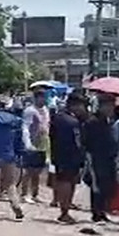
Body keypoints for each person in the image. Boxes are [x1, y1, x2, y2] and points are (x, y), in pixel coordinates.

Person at [49, 91, 88, 224]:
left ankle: (64, 209)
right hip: (71, 156)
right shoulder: (72, 122)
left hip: (59, 154)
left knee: (63, 181)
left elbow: (52, 136)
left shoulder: (57, 117)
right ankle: (65, 212)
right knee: (68, 182)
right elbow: (78, 142)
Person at [83, 93, 118, 223]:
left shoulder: (107, 121)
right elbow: (86, 141)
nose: (111, 109)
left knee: (106, 185)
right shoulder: (92, 122)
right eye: (109, 106)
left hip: (107, 158)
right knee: (96, 185)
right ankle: (96, 213)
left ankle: (102, 211)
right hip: (95, 157)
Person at [20, 90, 51, 204]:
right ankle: (24, 194)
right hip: (31, 144)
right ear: (36, 98)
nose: (43, 100)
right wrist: (27, 143)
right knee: (28, 171)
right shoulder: (30, 111)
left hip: (42, 143)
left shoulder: (45, 110)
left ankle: (35, 194)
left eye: (44, 97)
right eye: (41, 97)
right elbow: (25, 127)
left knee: (38, 171)